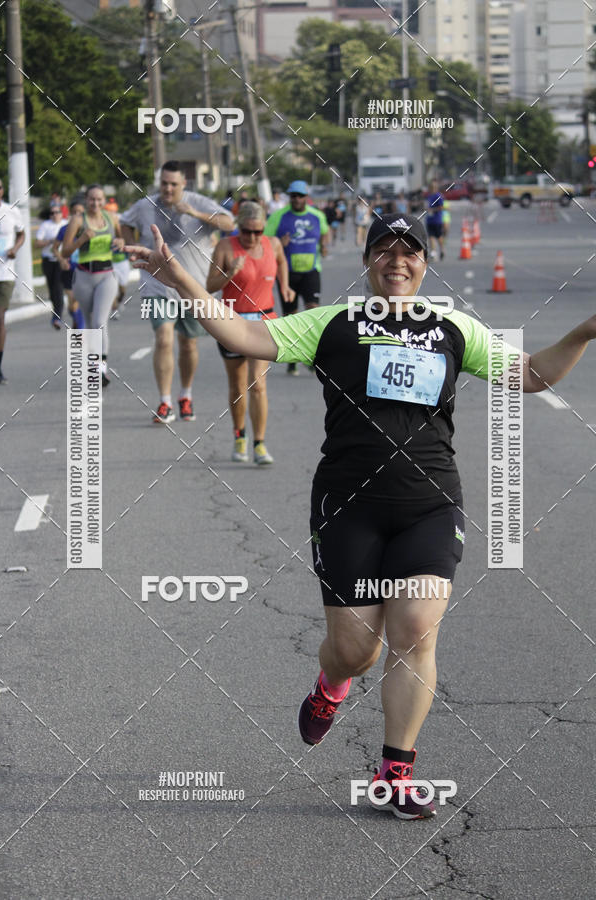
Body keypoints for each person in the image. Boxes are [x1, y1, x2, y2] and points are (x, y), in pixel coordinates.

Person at [127, 212, 596, 820]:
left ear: (425, 264)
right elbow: (244, 338)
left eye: (409, 253)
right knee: (356, 651)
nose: (396, 262)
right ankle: (331, 685)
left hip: (430, 504)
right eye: (384, 252)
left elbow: (531, 374)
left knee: (416, 630)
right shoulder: (333, 324)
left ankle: (396, 773)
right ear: (368, 261)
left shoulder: (454, 327)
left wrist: (585, 330)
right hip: (348, 506)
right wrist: (180, 279)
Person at [120, 159, 234, 423]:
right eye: (164, 183)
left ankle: (185, 395)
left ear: (184, 183)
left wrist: (195, 214)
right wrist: (130, 245)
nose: (168, 189)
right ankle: (164, 402)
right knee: (163, 338)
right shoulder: (145, 205)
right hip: (157, 285)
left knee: (188, 343)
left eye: (173, 184)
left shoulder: (199, 201)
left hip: (193, 286)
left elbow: (229, 223)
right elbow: (125, 222)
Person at [206, 201, 293, 464]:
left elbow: (281, 263)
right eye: (247, 231)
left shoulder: (273, 244)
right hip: (232, 321)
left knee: (258, 383)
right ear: (238, 227)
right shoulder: (225, 247)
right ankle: (240, 436)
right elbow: (209, 285)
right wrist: (230, 272)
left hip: (265, 320)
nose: (253, 237)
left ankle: (259, 444)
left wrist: (285, 287)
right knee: (238, 385)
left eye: (258, 231)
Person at [264, 180, 329, 376]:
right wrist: (279, 244)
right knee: (291, 317)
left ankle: (310, 356)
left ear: (306, 197)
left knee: (313, 312)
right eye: (293, 196)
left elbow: (324, 233)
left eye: (300, 196)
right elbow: (266, 242)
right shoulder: (278, 217)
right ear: (289, 197)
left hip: (311, 271)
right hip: (287, 273)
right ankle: (292, 359)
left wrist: (324, 246)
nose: (297, 199)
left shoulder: (317, 215)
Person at [62, 183, 124, 386]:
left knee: (99, 322)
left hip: (106, 275)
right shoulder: (77, 220)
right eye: (91, 199)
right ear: (86, 200)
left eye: (99, 199)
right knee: (88, 324)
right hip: (83, 275)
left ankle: (101, 371)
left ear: (104, 201)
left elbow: (122, 237)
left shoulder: (112, 218)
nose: (95, 203)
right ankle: (93, 367)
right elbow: (65, 252)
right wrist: (81, 240)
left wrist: (121, 243)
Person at [0, 177, 25, 384]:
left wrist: (15, 249)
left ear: (2, 190)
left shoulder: (11, 211)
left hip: (4, 274)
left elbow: (21, 234)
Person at [52, 198, 85, 330]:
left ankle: (80, 331)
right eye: (74, 212)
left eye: (80, 212)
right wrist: (61, 260)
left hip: (86, 270)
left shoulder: (90, 229)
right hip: (69, 270)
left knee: (80, 302)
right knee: (72, 303)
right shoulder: (64, 229)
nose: (77, 214)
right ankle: (76, 320)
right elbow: (54, 248)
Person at [36, 205, 66, 329]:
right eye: (52, 213)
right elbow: (37, 243)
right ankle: (55, 312)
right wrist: (50, 241)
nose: (54, 215)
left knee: (58, 288)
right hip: (48, 260)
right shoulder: (45, 225)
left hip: (61, 260)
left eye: (57, 212)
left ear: (61, 213)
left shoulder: (66, 224)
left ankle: (57, 317)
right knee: (52, 290)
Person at [426, 178, 445, 260]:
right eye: (430, 187)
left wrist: (432, 210)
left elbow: (441, 207)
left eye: (433, 187)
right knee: (431, 236)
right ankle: (433, 252)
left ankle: (442, 249)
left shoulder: (438, 196)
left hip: (437, 220)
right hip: (430, 220)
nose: (431, 189)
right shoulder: (429, 196)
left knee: (439, 236)